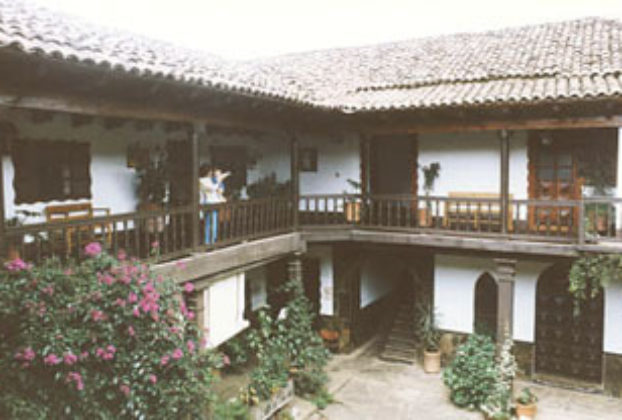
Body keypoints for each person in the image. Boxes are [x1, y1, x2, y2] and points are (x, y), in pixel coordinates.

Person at [199, 167, 230, 244]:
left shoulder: (212, 181)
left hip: (214, 203)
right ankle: (209, 242)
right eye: (212, 173)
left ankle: (212, 241)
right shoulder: (202, 181)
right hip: (208, 203)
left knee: (213, 223)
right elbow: (211, 189)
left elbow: (219, 191)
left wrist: (219, 182)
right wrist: (220, 180)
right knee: (209, 223)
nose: (212, 174)